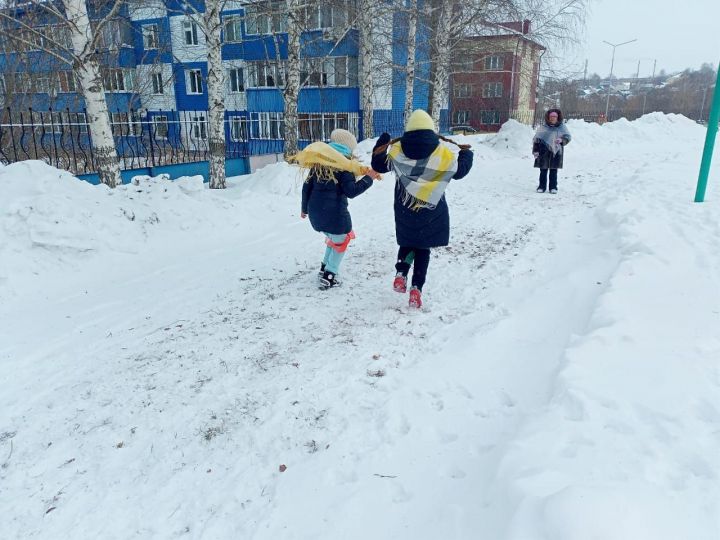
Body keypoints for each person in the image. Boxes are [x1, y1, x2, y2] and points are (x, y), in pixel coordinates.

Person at [371, 109, 473, 309]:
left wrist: (382, 142)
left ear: (408, 130)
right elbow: (459, 172)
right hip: (432, 209)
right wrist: (466, 154)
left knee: (408, 242)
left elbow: (378, 164)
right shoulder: (442, 152)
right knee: (423, 248)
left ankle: (401, 273)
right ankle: (416, 288)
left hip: (405, 206)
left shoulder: (398, 150)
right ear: (431, 130)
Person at [300, 129, 381, 289]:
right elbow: (351, 191)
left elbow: (306, 187)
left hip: (316, 216)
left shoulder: (320, 163)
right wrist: (369, 178)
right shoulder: (345, 166)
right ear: (348, 149)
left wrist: (304, 209)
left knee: (334, 239)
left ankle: (324, 268)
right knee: (342, 240)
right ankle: (330, 275)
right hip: (335, 217)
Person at [532, 108, 571, 194]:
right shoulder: (543, 127)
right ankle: (541, 187)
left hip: (556, 153)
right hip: (543, 152)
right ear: (548, 118)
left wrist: (562, 140)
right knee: (543, 171)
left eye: (555, 117)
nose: (553, 118)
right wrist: (535, 151)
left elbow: (568, 137)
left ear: (558, 118)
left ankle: (553, 187)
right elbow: (536, 140)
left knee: (553, 171)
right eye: (551, 117)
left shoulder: (562, 127)